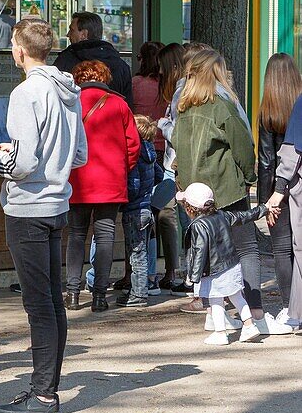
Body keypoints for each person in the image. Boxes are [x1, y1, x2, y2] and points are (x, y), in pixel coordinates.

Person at [0, 19, 87, 413]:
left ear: (19, 49)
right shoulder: (68, 91)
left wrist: (2, 160)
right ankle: (46, 387)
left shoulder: (26, 92)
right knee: (51, 301)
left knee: (39, 304)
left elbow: (25, 160)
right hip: (57, 204)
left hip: (28, 205)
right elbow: (80, 154)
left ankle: (44, 395)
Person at [171, 48, 291, 335]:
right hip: (226, 188)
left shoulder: (184, 110)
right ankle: (257, 314)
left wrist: (186, 188)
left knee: (210, 252)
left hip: (197, 193)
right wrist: (249, 178)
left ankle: (216, 313)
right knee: (246, 249)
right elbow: (242, 147)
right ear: (216, 73)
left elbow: (178, 151)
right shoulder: (221, 106)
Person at [65, 61, 140, 313]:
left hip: (78, 181)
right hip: (110, 181)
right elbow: (133, 145)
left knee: (76, 235)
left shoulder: (71, 103)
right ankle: (99, 296)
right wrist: (121, 169)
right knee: (105, 236)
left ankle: (73, 294)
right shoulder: (119, 104)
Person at [178, 183, 276, 345]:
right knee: (238, 297)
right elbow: (244, 216)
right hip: (232, 265)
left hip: (213, 271)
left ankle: (220, 333)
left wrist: (193, 277)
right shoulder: (223, 215)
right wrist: (263, 209)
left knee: (216, 301)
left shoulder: (198, 226)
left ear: (190, 208)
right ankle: (250, 325)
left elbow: (199, 251)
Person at [256, 53, 302, 329]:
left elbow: (265, 159)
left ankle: (289, 308)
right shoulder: (299, 102)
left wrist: (266, 198)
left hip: (278, 187)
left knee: (282, 249)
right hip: (296, 183)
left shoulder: (268, 110)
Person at [153, 42, 189, 296]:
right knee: (168, 216)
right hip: (173, 165)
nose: (161, 75)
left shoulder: (181, 91)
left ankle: (187, 274)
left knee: (183, 220)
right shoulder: (182, 90)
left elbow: (178, 133)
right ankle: (179, 272)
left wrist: (162, 123)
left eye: (163, 69)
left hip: (178, 166)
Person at [118, 115, 164, 308]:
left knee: (136, 254)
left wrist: (125, 197)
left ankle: (139, 293)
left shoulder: (136, 155)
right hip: (146, 209)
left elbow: (134, 184)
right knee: (141, 252)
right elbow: (159, 176)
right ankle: (139, 290)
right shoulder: (151, 153)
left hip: (134, 210)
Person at [54, 11, 133, 105]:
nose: (68, 35)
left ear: (84, 34)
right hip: (112, 118)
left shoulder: (66, 60)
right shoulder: (120, 65)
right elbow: (128, 105)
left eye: (72, 30)